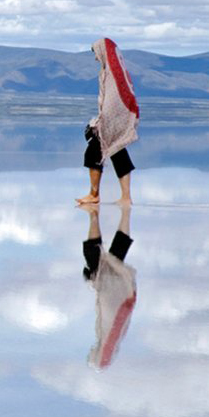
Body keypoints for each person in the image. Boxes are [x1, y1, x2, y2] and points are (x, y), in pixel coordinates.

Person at [76, 37, 139, 206]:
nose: (96, 57)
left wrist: (101, 123)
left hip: (111, 122)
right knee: (118, 153)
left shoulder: (112, 75)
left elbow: (112, 102)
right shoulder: (115, 71)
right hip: (117, 121)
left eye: (96, 53)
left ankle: (94, 194)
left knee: (93, 153)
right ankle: (126, 196)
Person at [81, 204, 136, 369]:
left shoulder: (109, 336)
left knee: (115, 254)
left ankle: (121, 214)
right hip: (115, 287)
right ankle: (94, 215)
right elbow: (107, 305)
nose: (91, 351)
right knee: (98, 254)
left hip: (118, 288)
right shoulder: (108, 338)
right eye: (92, 352)